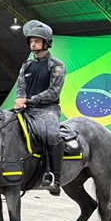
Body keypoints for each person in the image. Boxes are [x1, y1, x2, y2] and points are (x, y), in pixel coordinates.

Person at [14, 20, 66, 196]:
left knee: (51, 134)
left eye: (36, 40)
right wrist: (20, 100)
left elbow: (53, 92)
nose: (32, 44)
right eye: (31, 41)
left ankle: (55, 178)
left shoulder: (56, 65)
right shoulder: (26, 66)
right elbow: (20, 87)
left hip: (48, 109)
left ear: (46, 42)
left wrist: (29, 100)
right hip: (26, 109)